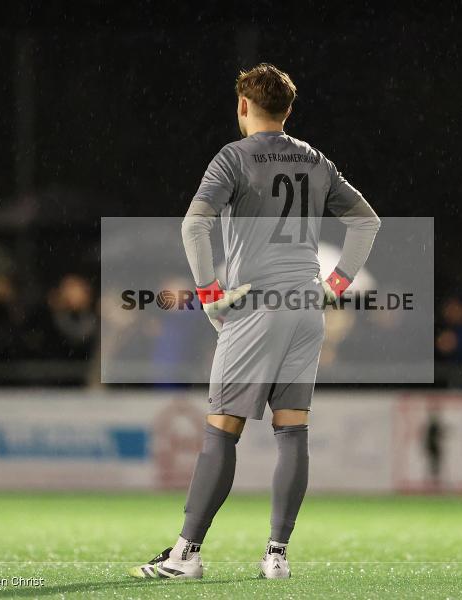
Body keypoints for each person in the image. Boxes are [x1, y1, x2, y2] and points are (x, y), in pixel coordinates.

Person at [130, 64, 380, 580]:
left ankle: (186, 555)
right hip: (306, 310)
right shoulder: (313, 159)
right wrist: (334, 286)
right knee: (293, 430)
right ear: (288, 111)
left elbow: (194, 224)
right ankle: (276, 555)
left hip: (256, 308)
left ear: (244, 107)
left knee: (222, 428)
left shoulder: (232, 157)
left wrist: (208, 293)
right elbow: (366, 221)